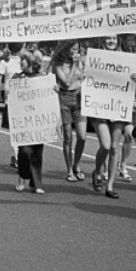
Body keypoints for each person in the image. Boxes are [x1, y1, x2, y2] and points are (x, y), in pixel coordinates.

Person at [91, 35, 136, 199]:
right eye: (107, 38)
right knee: (105, 146)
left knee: (114, 147)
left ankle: (110, 185)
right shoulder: (95, 58)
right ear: (102, 40)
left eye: (113, 38)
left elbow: (133, 88)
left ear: (118, 40)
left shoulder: (125, 59)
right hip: (100, 109)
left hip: (118, 109)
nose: (111, 41)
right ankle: (97, 171)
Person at [51, 40, 86, 182]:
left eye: (77, 49)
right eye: (72, 49)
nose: (75, 52)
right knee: (68, 137)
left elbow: (82, 78)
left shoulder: (80, 62)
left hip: (78, 98)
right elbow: (66, 81)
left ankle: (77, 164)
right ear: (66, 49)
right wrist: (74, 65)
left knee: (82, 136)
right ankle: (69, 169)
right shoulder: (59, 64)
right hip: (64, 98)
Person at [13, 50, 48, 194]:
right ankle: (22, 174)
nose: (20, 62)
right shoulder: (17, 77)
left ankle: (36, 184)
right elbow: (12, 96)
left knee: (37, 153)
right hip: (24, 120)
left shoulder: (42, 77)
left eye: (23, 60)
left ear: (31, 62)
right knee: (25, 151)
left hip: (38, 120)